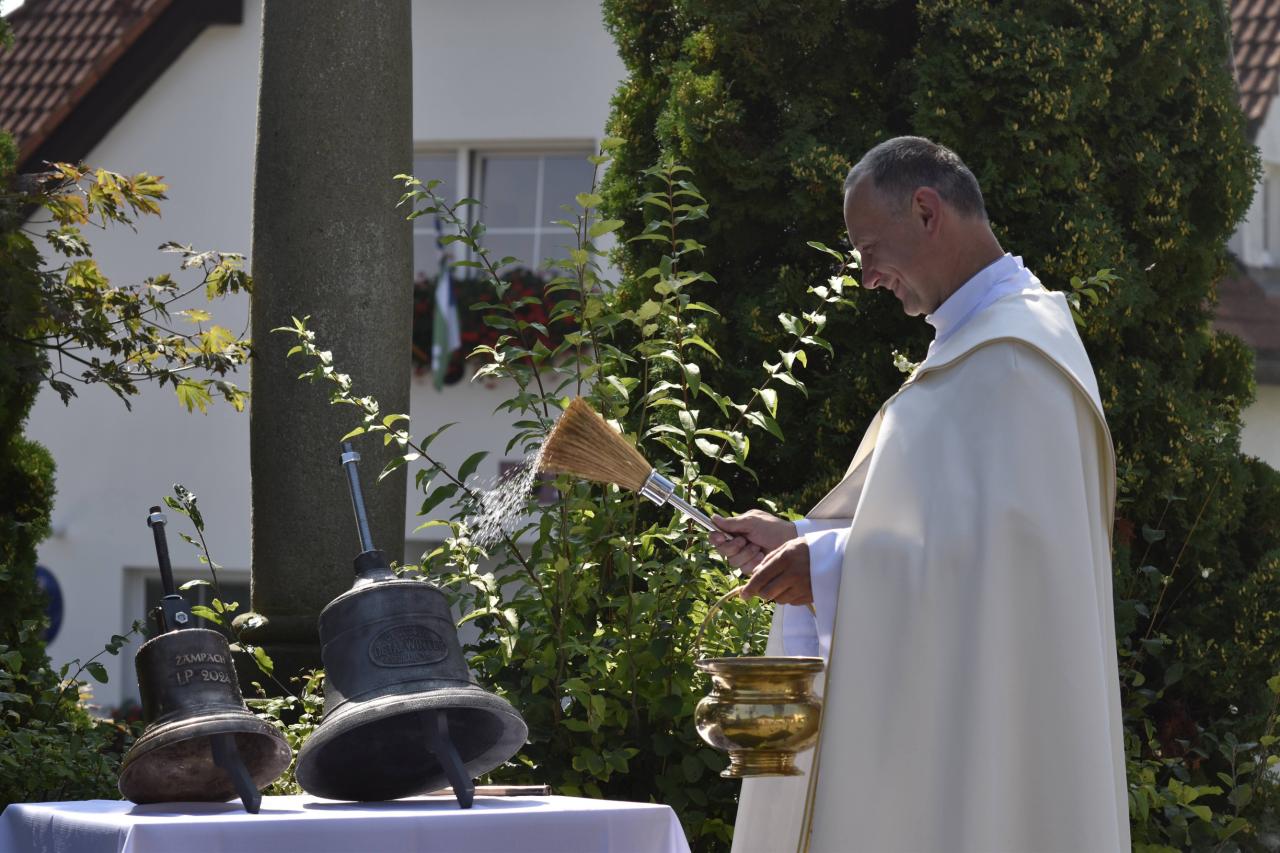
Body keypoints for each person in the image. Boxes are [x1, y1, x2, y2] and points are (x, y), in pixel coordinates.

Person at [711, 136, 1129, 852]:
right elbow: (925, 525)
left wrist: (829, 568)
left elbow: (1005, 572)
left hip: (993, 741)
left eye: (870, 249)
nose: (867, 276)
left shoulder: (1018, 359)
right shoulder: (972, 352)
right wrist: (800, 540)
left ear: (928, 211)